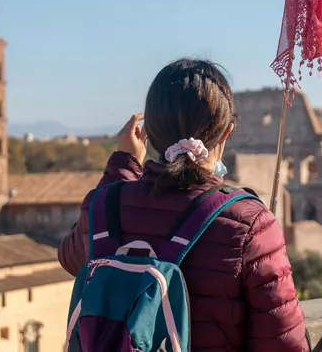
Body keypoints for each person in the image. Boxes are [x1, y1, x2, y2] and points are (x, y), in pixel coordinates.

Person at [58, 58, 309, 352]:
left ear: (147, 131)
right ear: (227, 133)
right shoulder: (250, 223)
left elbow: (73, 259)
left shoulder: (103, 205)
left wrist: (123, 164)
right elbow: (285, 345)